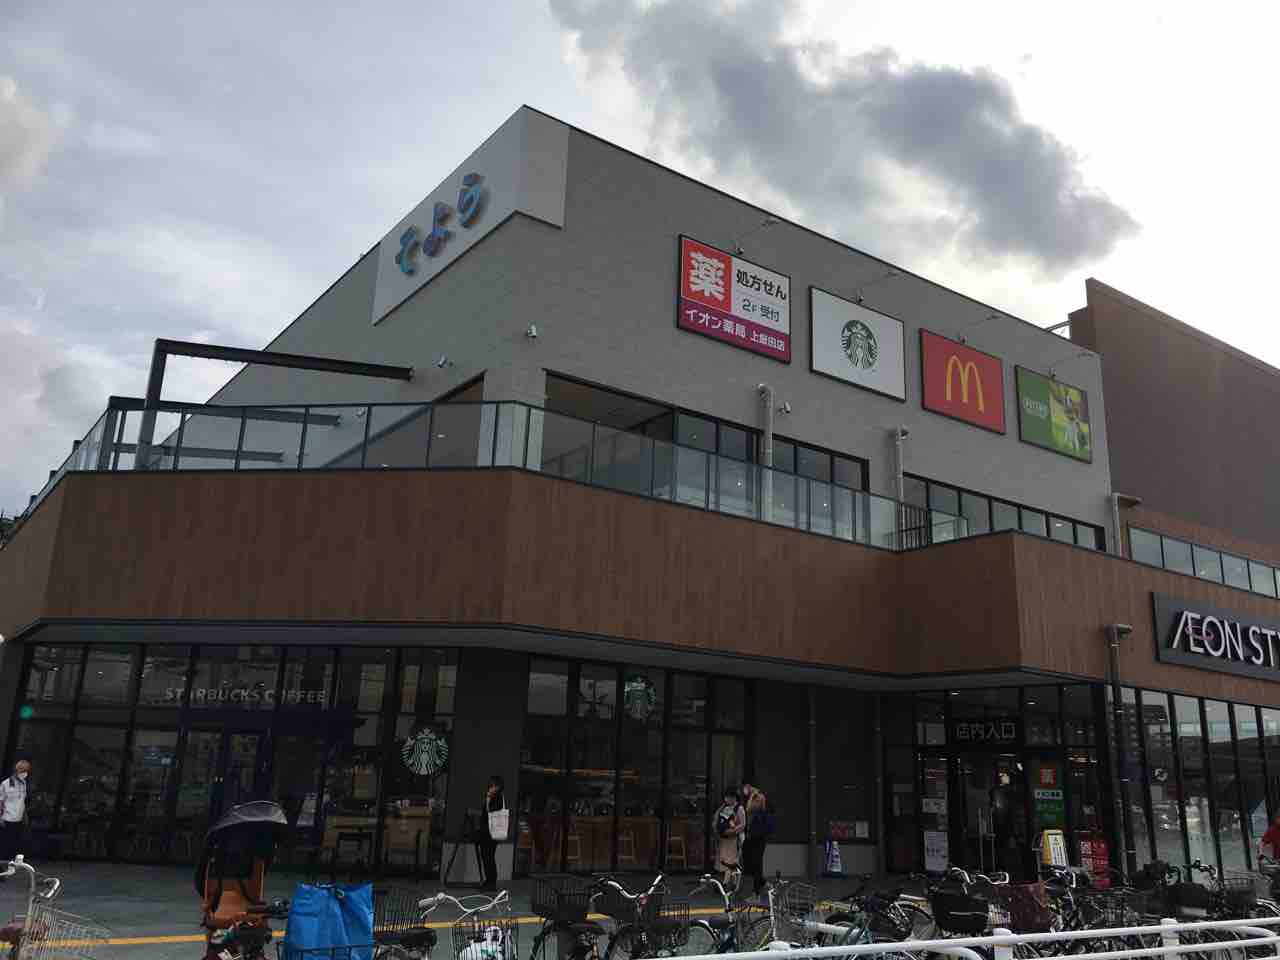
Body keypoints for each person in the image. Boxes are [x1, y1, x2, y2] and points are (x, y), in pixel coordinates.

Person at [0, 759, 31, 870]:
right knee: (4, 847)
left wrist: (25, 816)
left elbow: (22, 802)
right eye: (23, 770)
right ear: (17, 770)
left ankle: (9, 869)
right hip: (7, 820)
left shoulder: (24, 784)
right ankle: (2, 871)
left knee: (14, 847)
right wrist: (0, 818)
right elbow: (1, 801)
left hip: (19, 820)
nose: (25, 773)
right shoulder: (5, 784)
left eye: (27, 770)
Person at [742, 789, 773, 895]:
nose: (756, 803)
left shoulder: (763, 813)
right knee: (750, 866)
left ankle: (756, 893)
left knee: (757, 865)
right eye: (755, 801)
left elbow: (767, 829)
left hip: (758, 841)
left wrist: (757, 833)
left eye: (759, 801)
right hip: (749, 841)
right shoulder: (750, 812)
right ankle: (763, 883)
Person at [714, 786, 745, 887]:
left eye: (728, 797)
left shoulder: (739, 808)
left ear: (734, 797)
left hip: (734, 839)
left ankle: (725, 883)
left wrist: (733, 831)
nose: (726, 799)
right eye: (725, 797)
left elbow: (743, 824)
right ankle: (733, 884)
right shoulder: (725, 807)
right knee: (727, 861)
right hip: (725, 839)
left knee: (730, 861)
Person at [479, 776, 505, 891]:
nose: (491, 787)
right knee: (486, 856)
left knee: (489, 856)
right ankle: (488, 880)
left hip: (492, 833)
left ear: (498, 786)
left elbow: (491, 812)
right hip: (486, 832)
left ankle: (491, 882)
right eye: (490, 785)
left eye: (493, 785)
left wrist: (488, 799)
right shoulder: (492, 796)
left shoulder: (498, 797)